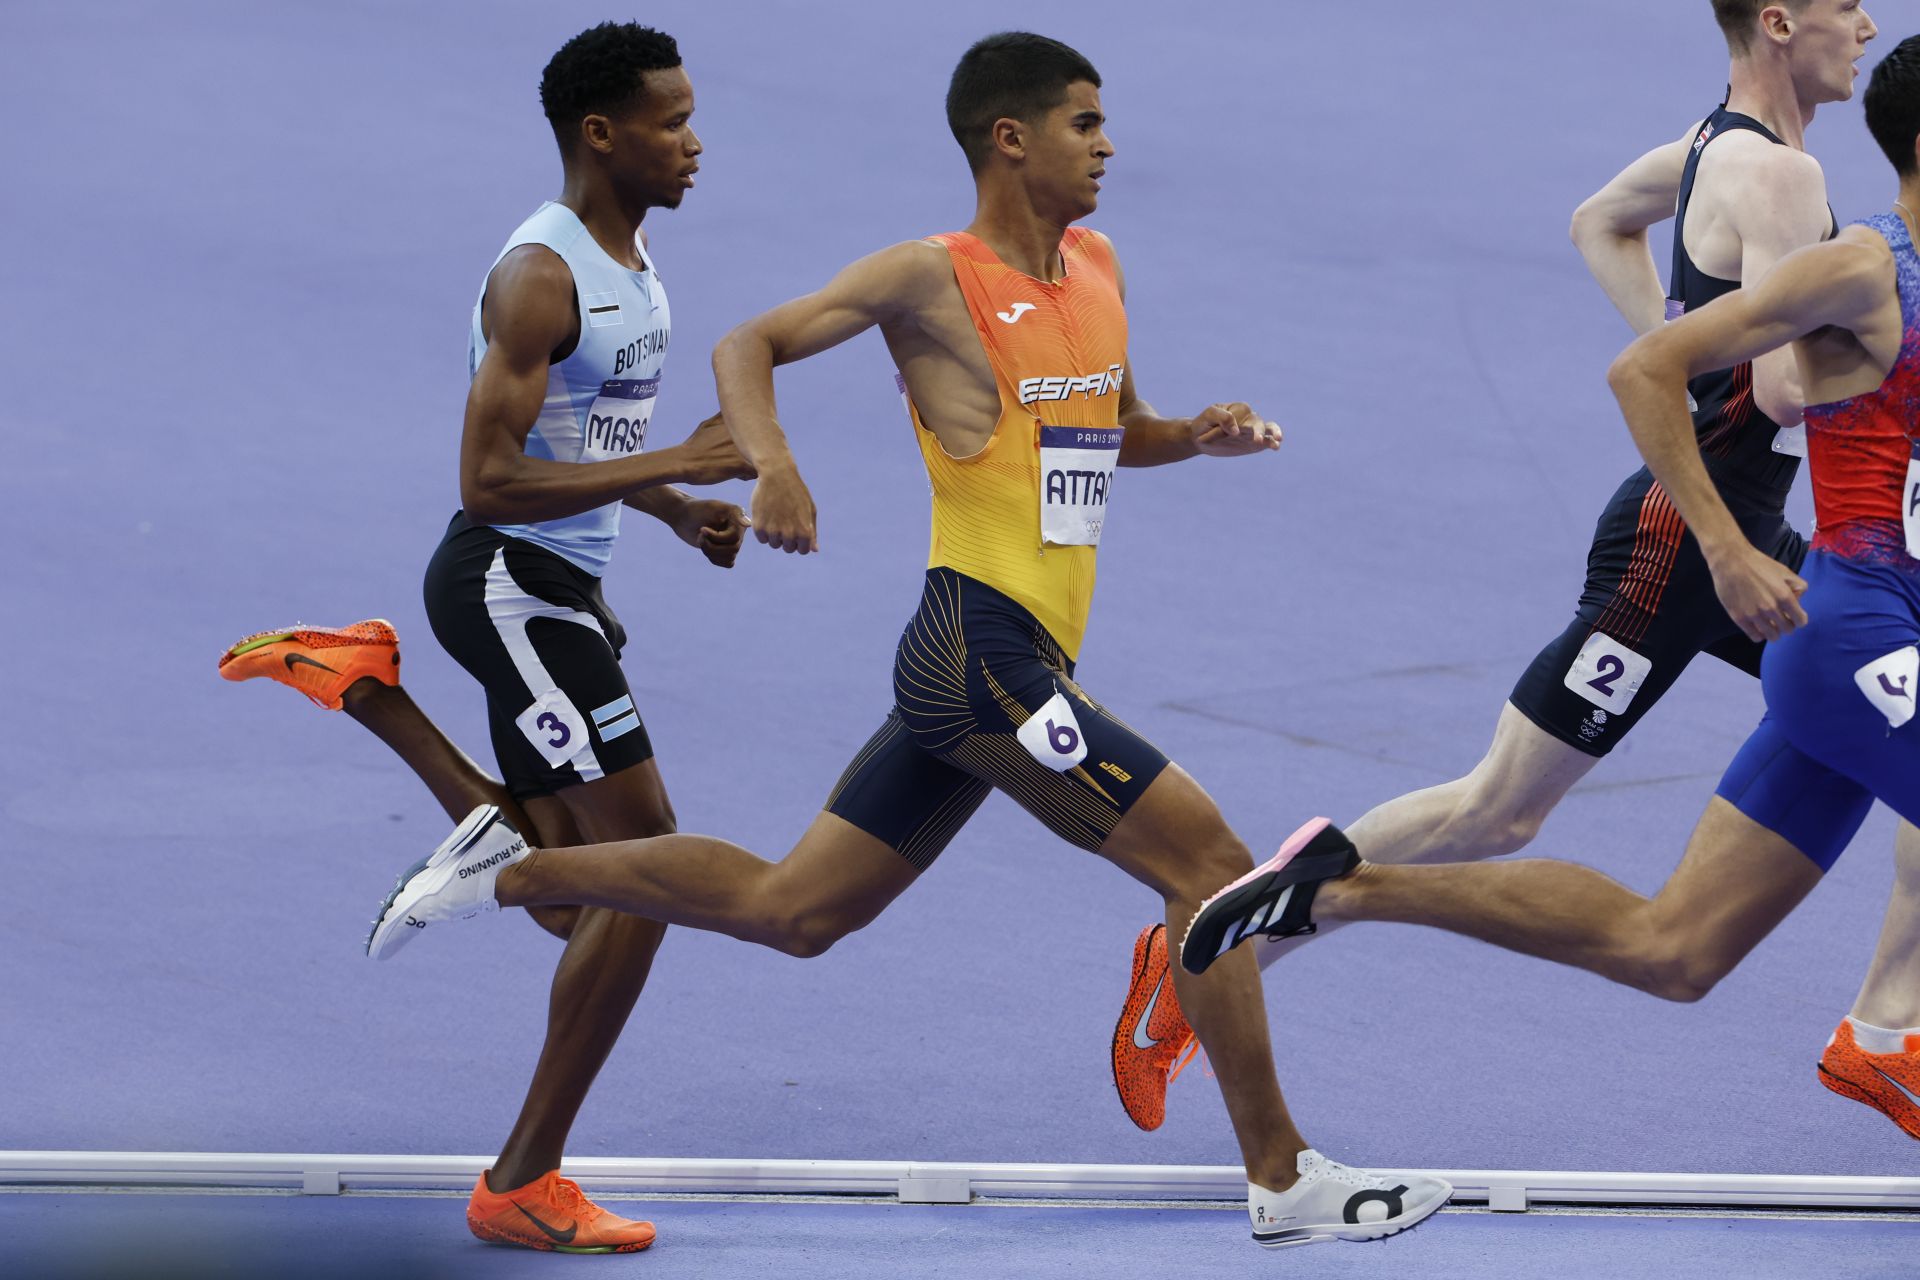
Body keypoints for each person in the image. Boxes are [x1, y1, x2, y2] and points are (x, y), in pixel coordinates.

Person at [364, 32, 1453, 1251]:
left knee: (795, 911)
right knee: (1209, 862)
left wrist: (1191, 435)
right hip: (980, 652)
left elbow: (1115, 428)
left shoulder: (1097, 265)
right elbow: (749, 345)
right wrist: (773, 463)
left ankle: (509, 866)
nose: (1105, 144)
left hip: (998, 664)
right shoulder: (929, 277)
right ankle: (1284, 1175)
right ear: (1011, 137)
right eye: (1083, 122)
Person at [1108, 0, 1915, 1141]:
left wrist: (1698, 351)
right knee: (1498, 809)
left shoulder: (1710, 145)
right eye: (1844, 5)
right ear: (1779, 21)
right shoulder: (1781, 181)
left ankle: (1887, 1026)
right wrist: (1789, 362)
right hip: (1693, 539)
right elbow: (1786, 390)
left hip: (1744, 522)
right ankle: (1228, 925)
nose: (1868, 22)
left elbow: (1598, 222)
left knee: (1896, 699)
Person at [219, 22, 753, 1253]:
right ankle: (521, 1177)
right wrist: (683, 457)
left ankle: (368, 692)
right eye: (671, 120)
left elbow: (588, 436)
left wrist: (671, 510)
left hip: (560, 590)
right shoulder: (542, 276)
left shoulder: (635, 259)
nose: (695, 140)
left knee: (593, 901)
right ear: (600, 134)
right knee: (646, 870)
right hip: (513, 586)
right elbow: (489, 480)